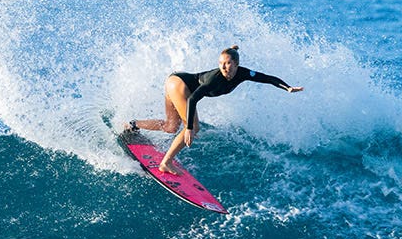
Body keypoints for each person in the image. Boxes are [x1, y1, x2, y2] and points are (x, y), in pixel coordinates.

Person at [129, 45, 303, 175]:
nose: (224, 67)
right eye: (221, 64)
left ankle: (133, 125)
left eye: (228, 64)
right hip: (179, 85)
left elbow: (266, 78)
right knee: (194, 127)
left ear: (236, 64)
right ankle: (166, 162)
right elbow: (193, 99)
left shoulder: (243, 73)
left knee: (170, 126)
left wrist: (287, 88)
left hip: (174, 82)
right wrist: (189, 128)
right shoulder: (214, 79)